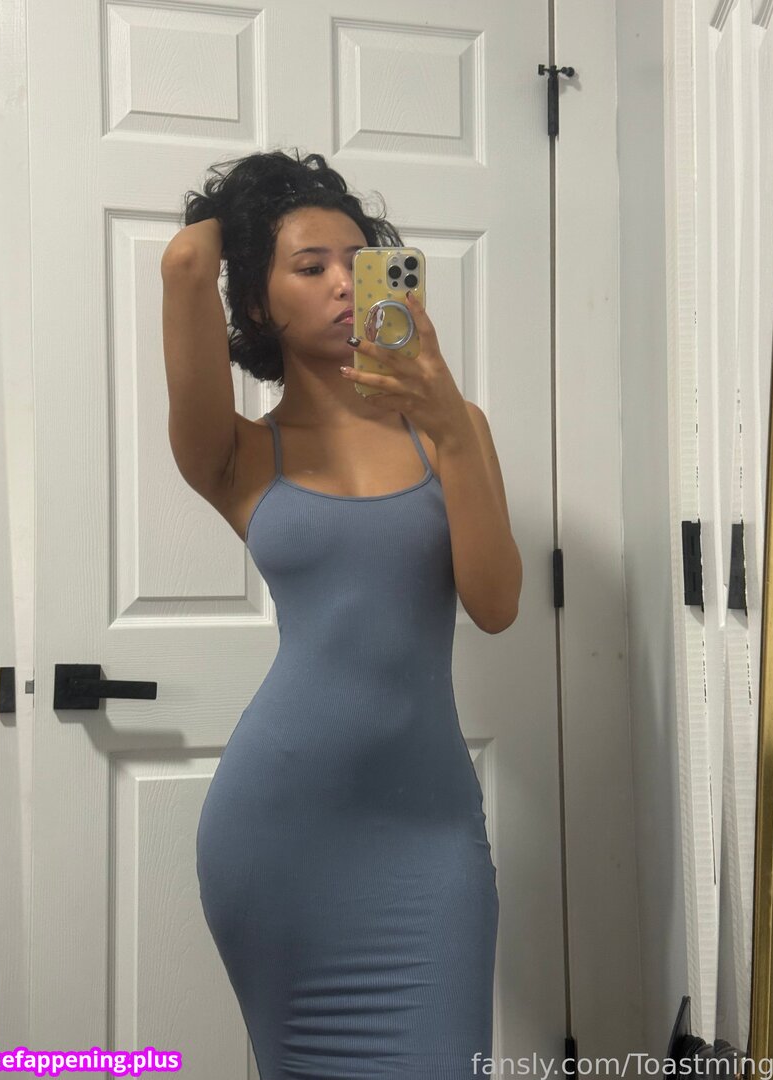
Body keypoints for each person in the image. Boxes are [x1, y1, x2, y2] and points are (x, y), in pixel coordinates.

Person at [162, 149, 521, 1079]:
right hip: (280, 836)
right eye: (309, 266)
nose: (340, 284)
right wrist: (252, 206)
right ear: (257, 304)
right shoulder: (237, 453)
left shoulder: (456, 428)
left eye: (358, 264)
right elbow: (186, 263)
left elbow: (496, 605)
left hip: (430, 839)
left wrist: (446, 421)